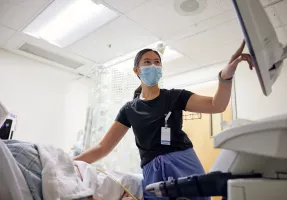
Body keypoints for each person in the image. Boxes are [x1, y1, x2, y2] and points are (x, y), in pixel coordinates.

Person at [75, 41, 253, 200]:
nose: (153, 65)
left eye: (157, 62)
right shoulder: (129, 109)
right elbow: (103, 147)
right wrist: (71, 163)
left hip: (184, 163)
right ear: (136, 70)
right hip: (153, 171)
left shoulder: (175, 96)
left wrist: (226, 76)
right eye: (147, 62)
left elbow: (216, 105)